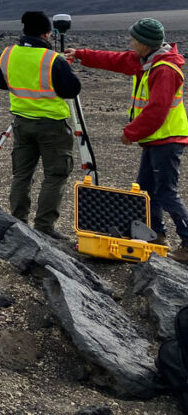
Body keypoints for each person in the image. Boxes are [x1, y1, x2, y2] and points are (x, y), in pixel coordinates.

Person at [65, 18, 188, 262]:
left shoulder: (164, 69)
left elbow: (157, 110)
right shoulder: (147, 61)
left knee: (166, 193)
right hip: (156, 139)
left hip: (167, 139)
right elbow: (114, 60)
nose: (130, 43)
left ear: (145, 43)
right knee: (146, 190)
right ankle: (155, 235)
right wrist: (80, 54)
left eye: (134, 39)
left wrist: (131, 132)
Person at [0, 10, 81, 240]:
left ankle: (18, 222)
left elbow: (1, 83)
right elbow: (72, 89)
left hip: (22, 122)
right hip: (51, 125)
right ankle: (44, 226)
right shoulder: (52, 59)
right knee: (55, 175)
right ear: (46, 34)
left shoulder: (8, 54)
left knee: (21, 174)